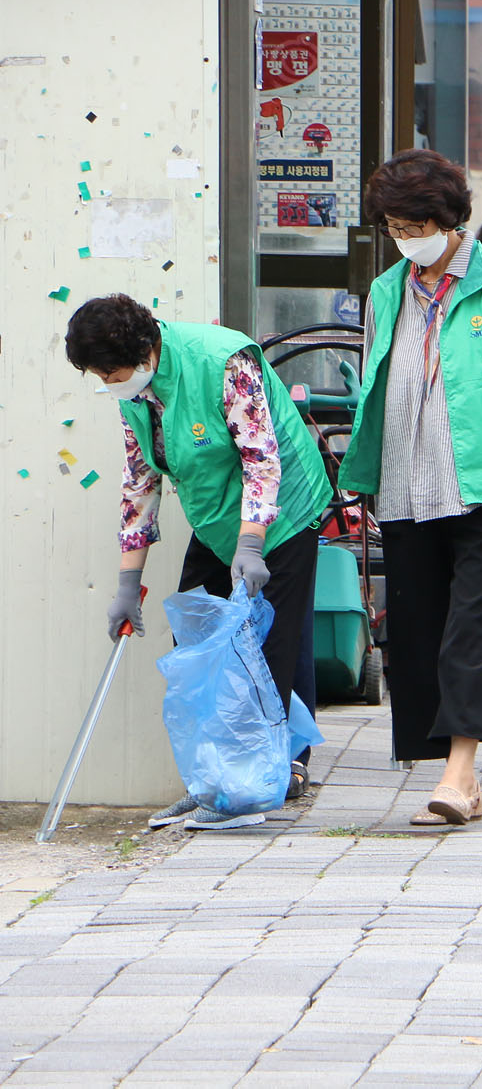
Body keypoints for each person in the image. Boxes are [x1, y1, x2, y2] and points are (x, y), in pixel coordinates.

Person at [338, 149, 482, 828]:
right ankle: (449, 765)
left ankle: (460, 774)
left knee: (471, 629)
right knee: (417, 633)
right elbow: (378, 386)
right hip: (406, 487)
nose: (407, 239)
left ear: (447, 218)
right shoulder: (386, 291)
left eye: (415, 225)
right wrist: (367, 475)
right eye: (396, 229)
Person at [71, 296, 333, 831]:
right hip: (217, 519)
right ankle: (213, 779)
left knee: (268, 650)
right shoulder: (135, 391)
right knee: (195, 641)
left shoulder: (222, 363)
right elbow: (141, 481)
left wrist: (254, 544)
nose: (107, 381)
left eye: (110, 370)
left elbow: (261, 459)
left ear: (147, 350)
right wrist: (128, 581)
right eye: (97, 374)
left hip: (280, 512)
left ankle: (259, 783)